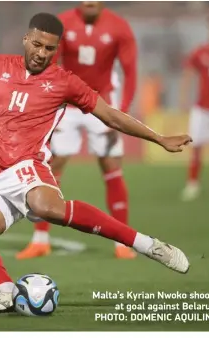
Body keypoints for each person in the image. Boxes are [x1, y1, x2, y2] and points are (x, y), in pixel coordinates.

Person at [0, 12, 191, 314]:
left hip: (30, 166)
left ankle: (147, 245)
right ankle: (4, 291)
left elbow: (110, 115)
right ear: (26, 39)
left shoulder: (64, 82)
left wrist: (159, 138)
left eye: (50, 49)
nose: (42, 54)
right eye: (38, 45)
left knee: (46, 207)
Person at [16, 2, 138, 260]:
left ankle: (123, 243)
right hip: (67, 104)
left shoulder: (120, 27)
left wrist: (122, 112)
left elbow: (130, 72)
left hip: (102, 102)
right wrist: (46, 105)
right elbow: (48, 65)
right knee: (51, 167)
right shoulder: (61, 24)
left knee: (111, 165)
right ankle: (40, 240)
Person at [179, 16, 209, 201]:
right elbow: (188, 74)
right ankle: (192, 184)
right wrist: (183, 98)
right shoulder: (201, 52)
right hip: (203, 109)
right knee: (195, 146)